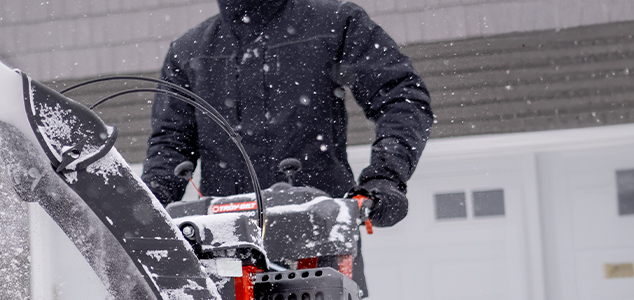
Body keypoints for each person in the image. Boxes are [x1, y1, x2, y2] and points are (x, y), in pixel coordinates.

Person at [142, 0, 432, 228]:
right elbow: (170, 144)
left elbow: (401, 98)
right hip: (225, 244)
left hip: (320, 236)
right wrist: (146, 205)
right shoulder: (189, 51)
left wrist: (385, 176)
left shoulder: (335, 23)